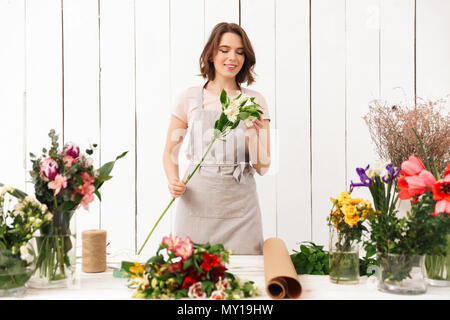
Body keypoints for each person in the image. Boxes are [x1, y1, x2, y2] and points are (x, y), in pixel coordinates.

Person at [163, 22, 271, 254]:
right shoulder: (189, 97)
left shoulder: (255, 100)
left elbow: (263, 167)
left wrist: (252, 130)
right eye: (225, 50)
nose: (233, 57)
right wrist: (173, 180)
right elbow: (169, 152)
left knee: (244, 279)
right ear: (211, 54)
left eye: (240, 52)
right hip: (196, 204)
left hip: (241, 212)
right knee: (189, 274)